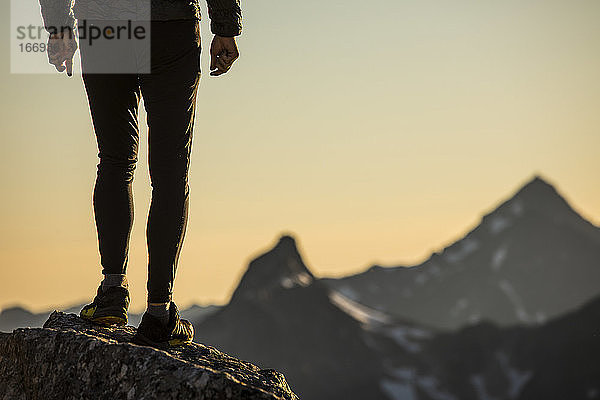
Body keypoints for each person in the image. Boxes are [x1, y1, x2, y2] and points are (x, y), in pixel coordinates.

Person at [38, 0, 241, 349]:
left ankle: (112, 294)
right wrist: (224, 26)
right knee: (170, 171)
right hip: (170, 27)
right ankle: (160, 313)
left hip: (103, 28)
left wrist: (59, 27)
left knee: (115, 161)